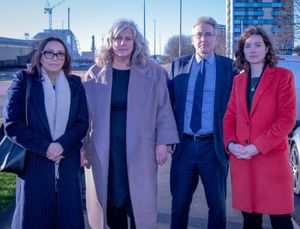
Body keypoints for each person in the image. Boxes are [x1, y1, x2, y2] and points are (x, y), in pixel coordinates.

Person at [82, 18, 179, 229]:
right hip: (106, 149)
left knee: (140, 202)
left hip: (141, 147)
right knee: (112, 198)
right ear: (110, 41)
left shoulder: (153, 71)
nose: (122, 43)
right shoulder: (94, 73)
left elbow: (163, 108)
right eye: (118, 38)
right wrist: (82, 146)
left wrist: (163, 142)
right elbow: (83, 116)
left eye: (128, 38)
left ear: (136, 43)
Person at [3, 36, 89, 229]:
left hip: (67, 164)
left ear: (65, 58)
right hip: (34, 165)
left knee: (69, 220)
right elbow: (12, 123)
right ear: (40, 56)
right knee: (35, 219)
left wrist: (62, 145)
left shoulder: (75, 83)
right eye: (49, 52)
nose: (55, 57)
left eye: (60, 54)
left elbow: (82, 122)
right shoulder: (24, 80)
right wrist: (46, 147)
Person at [223, 26, 296, 229]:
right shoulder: (238, 81)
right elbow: (229, 117)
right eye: (247, 46)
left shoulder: (283, 76)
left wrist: (256, 147)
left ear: (266, 49)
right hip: (243, 161)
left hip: (270, 160)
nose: (253, 49)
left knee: (281, 221)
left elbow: (286, 119)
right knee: (250, 221)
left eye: (258, 44)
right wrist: (230, 145)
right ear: (242, 51)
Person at [168, 16, 236, 229]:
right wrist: (164, 140)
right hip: (184, 146)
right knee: (179, 206)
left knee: (217, 208)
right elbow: (167, 107)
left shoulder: (229, 68)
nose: (203, 39)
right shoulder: (177, 66)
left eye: (208, 34)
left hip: (214, 147)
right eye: (199, 34)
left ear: (216, 39)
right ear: (193, 38)